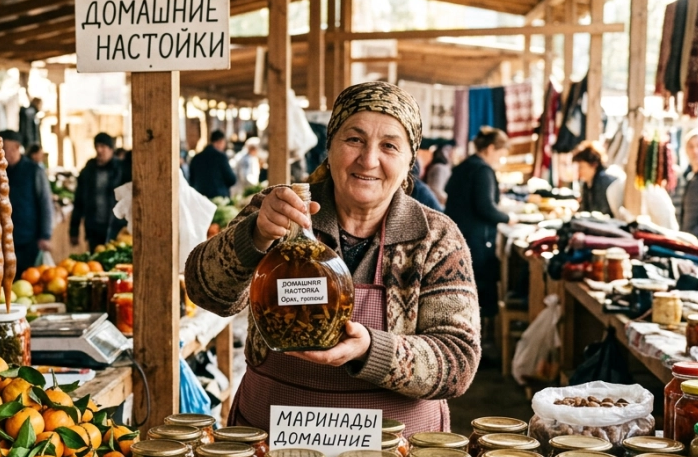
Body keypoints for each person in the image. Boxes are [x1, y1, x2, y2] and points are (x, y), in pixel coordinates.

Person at [185, 81, 480, 435]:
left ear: (409, 161)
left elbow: (458, 362)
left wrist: (372, 350)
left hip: (393, 454)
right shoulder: (281, 211)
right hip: (271, 446)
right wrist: (255, 236)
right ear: (330, 146)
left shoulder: (435, 238)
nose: (368, 160)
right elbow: (206, 292)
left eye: (389, 145)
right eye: (354, 139)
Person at [445, 127, 514, 355]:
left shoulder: (464, 166)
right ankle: (479, 348)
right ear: (491, 148)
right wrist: (508, 218)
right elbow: (486, 207)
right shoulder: (483, 170)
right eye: (500, 153)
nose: (500, 159)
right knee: (480, 289)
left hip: (459, 236)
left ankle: (463, 343)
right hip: (476, 240)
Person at [0, 129, 54, 272]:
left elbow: (45, 203)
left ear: (16, 147)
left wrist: (45, 235)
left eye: (3, 148)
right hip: (3, 242)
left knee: (29, 278)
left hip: (29, 240)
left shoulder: (34, 170)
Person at [70, 132, 125, 250]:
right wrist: (74, 230)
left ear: (111, 149)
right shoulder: (88, 171)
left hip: (117, 227)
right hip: (94, 228)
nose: (99, 150)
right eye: (97, 146)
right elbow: (79, 201)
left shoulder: (121, 170)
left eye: (103, 146)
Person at [571, 141, 619, 216]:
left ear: (594, 165)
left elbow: (602, 213)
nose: (579, 171)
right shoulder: (586, 183)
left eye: (581, 167)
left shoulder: (604, 183)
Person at [188, 130, 237, 199]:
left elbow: (191, 180)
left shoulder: (196, 158)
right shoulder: (220, 157)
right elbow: (231, 179)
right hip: (219, 198)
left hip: (200, 198)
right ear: (220, 141)